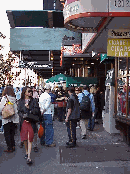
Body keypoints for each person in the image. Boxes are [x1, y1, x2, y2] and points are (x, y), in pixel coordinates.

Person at [18, 86, 41, 165]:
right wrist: (24, 116)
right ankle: (27, 151)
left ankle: (29, 157)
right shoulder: (20, 101)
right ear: (24, 92)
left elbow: (37, 110)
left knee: (30, 138)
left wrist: (29, 109)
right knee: (24, 138)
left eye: (31, 91)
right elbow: (19, 111)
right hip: (23, 122)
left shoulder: (34, 101)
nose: (30, 92)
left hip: (31, 121)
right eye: (29, 91)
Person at [0, 86, 19, 152]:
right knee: (12, 133)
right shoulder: (14, 99)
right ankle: (13, 145)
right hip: (13, 119)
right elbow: (16, 110)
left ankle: (9, 147)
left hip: (6, 118)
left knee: (7, 133)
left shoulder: (5, 98)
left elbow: (0, 108)